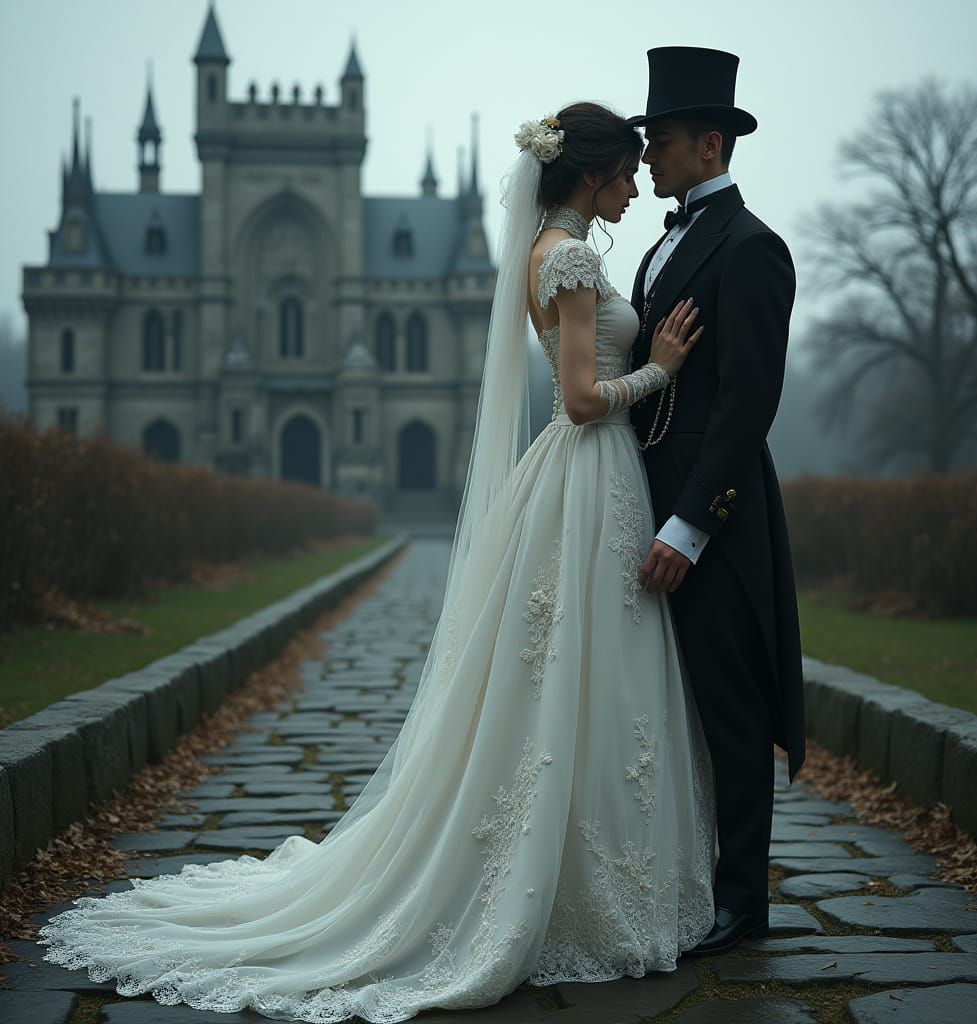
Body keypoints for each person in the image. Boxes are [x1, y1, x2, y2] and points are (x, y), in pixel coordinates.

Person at [36, 102, 716, 1022]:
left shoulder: (540, 254)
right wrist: (663, 368)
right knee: (585, 669)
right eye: (627, 172)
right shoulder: (572, 258)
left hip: (586, 481)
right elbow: (585, 399)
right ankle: (581, 880)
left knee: (568, 668)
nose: (637, 186)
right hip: (591, 467)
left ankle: (571, 867)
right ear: (592, 175)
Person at [626, 46, 805, 956]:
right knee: (672, 711)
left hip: (715, 525)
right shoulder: (664, 244)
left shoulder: (752, 248)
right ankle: (691, 880)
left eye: (659, 141)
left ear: (710, 145)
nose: (648, 156)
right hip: (646, 502)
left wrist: (690, 526)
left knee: (731, 714)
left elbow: (746, 406)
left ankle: (742, 904)